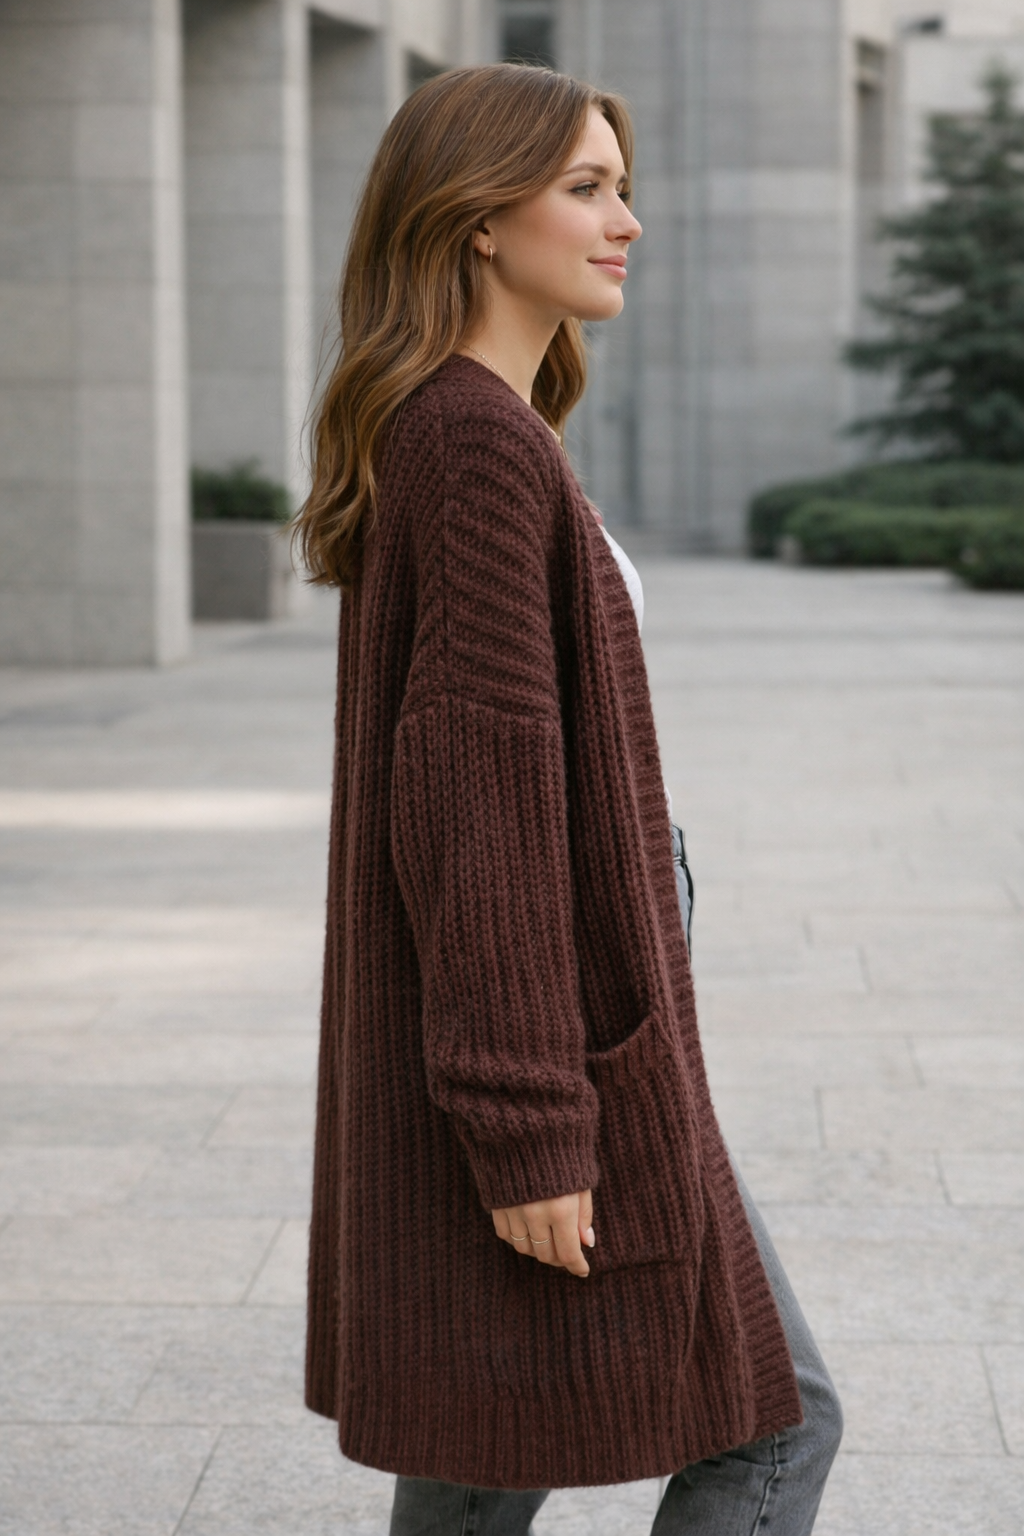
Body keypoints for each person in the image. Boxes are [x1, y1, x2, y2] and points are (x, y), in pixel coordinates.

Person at [295, 62, 843, 1535]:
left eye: (624, 186)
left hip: (566, 1010)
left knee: (486, 1431)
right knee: (772, 1425)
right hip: (566, 1029)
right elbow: (474, 814)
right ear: (478, 217)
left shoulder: (468, 424)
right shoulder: (475, 444)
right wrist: (532, 1122)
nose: (628, 222)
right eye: (586, 189)